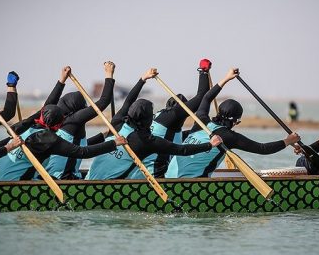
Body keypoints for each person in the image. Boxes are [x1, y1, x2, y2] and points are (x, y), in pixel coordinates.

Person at [85, 68, 222, 180]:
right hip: (147, 177)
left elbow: (128, 102)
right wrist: (210, 145)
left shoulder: (117, 122)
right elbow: (182, 150)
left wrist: (142, 79)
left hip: (89, 179)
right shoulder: (145, 140)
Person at [165, 68, 300, 178]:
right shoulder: (229, 137)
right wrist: (287, 141)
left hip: (168, 177)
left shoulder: (201, 119)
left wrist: (227, 78)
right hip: (190, 184)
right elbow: (262, 149)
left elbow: (206, 97)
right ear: (235, 121)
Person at [0, 104, 127, 181]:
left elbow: (81, 146)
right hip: (10, 184)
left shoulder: (22, 128)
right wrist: (114, 143)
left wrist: (61, 80)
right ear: (59, 126)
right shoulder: (49, 139)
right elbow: (82, 152)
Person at [43, 62, 116, 179]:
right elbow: (103, 102)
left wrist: (62, 80)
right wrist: (109, 74)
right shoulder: (73, 122)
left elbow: (79, 146)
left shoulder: (57, 124)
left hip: (51, 177)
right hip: (63, 180)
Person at [141, 58, 212, 178]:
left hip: (143, 171)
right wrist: (203, 71)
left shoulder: (159, 118)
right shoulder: (174, 115)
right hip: (156, 176)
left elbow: (177, 137)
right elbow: (201, 98)